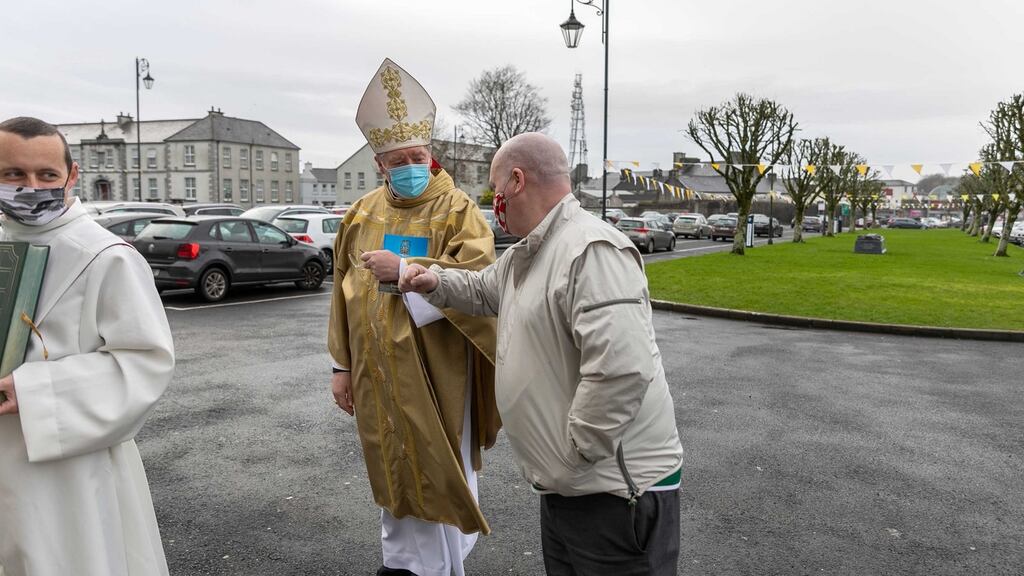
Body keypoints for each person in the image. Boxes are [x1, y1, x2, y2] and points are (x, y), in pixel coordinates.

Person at [400, 132, 685, 576]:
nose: (494, 203)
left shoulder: (590, 249)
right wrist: (433, 281)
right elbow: (482, 289)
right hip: (570, 485)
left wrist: (575, 454)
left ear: (517, 181)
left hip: (611, 492)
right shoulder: (529, 254)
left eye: (496, 191)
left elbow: (622, 369)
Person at [327, 59, 499, 576]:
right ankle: (400, 561)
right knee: (392, 464)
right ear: (380, 164)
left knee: (434, 464)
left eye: (417, 156)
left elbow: (479, 280)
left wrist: (407, 270)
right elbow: (342, 292)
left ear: (432, 155)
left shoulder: (457, 209)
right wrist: (340, 366)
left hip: (436, 370)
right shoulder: (361, 214)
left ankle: (439, 567)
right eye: (397, 159)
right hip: (376, 369)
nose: (409, 165)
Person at [0, 117, 175, 576]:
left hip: (64, 466)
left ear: (71, 175)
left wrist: (36, 392)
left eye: (46, 175)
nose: (30, 187)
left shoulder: (105, 255)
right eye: (13, 174)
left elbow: (145, 361)